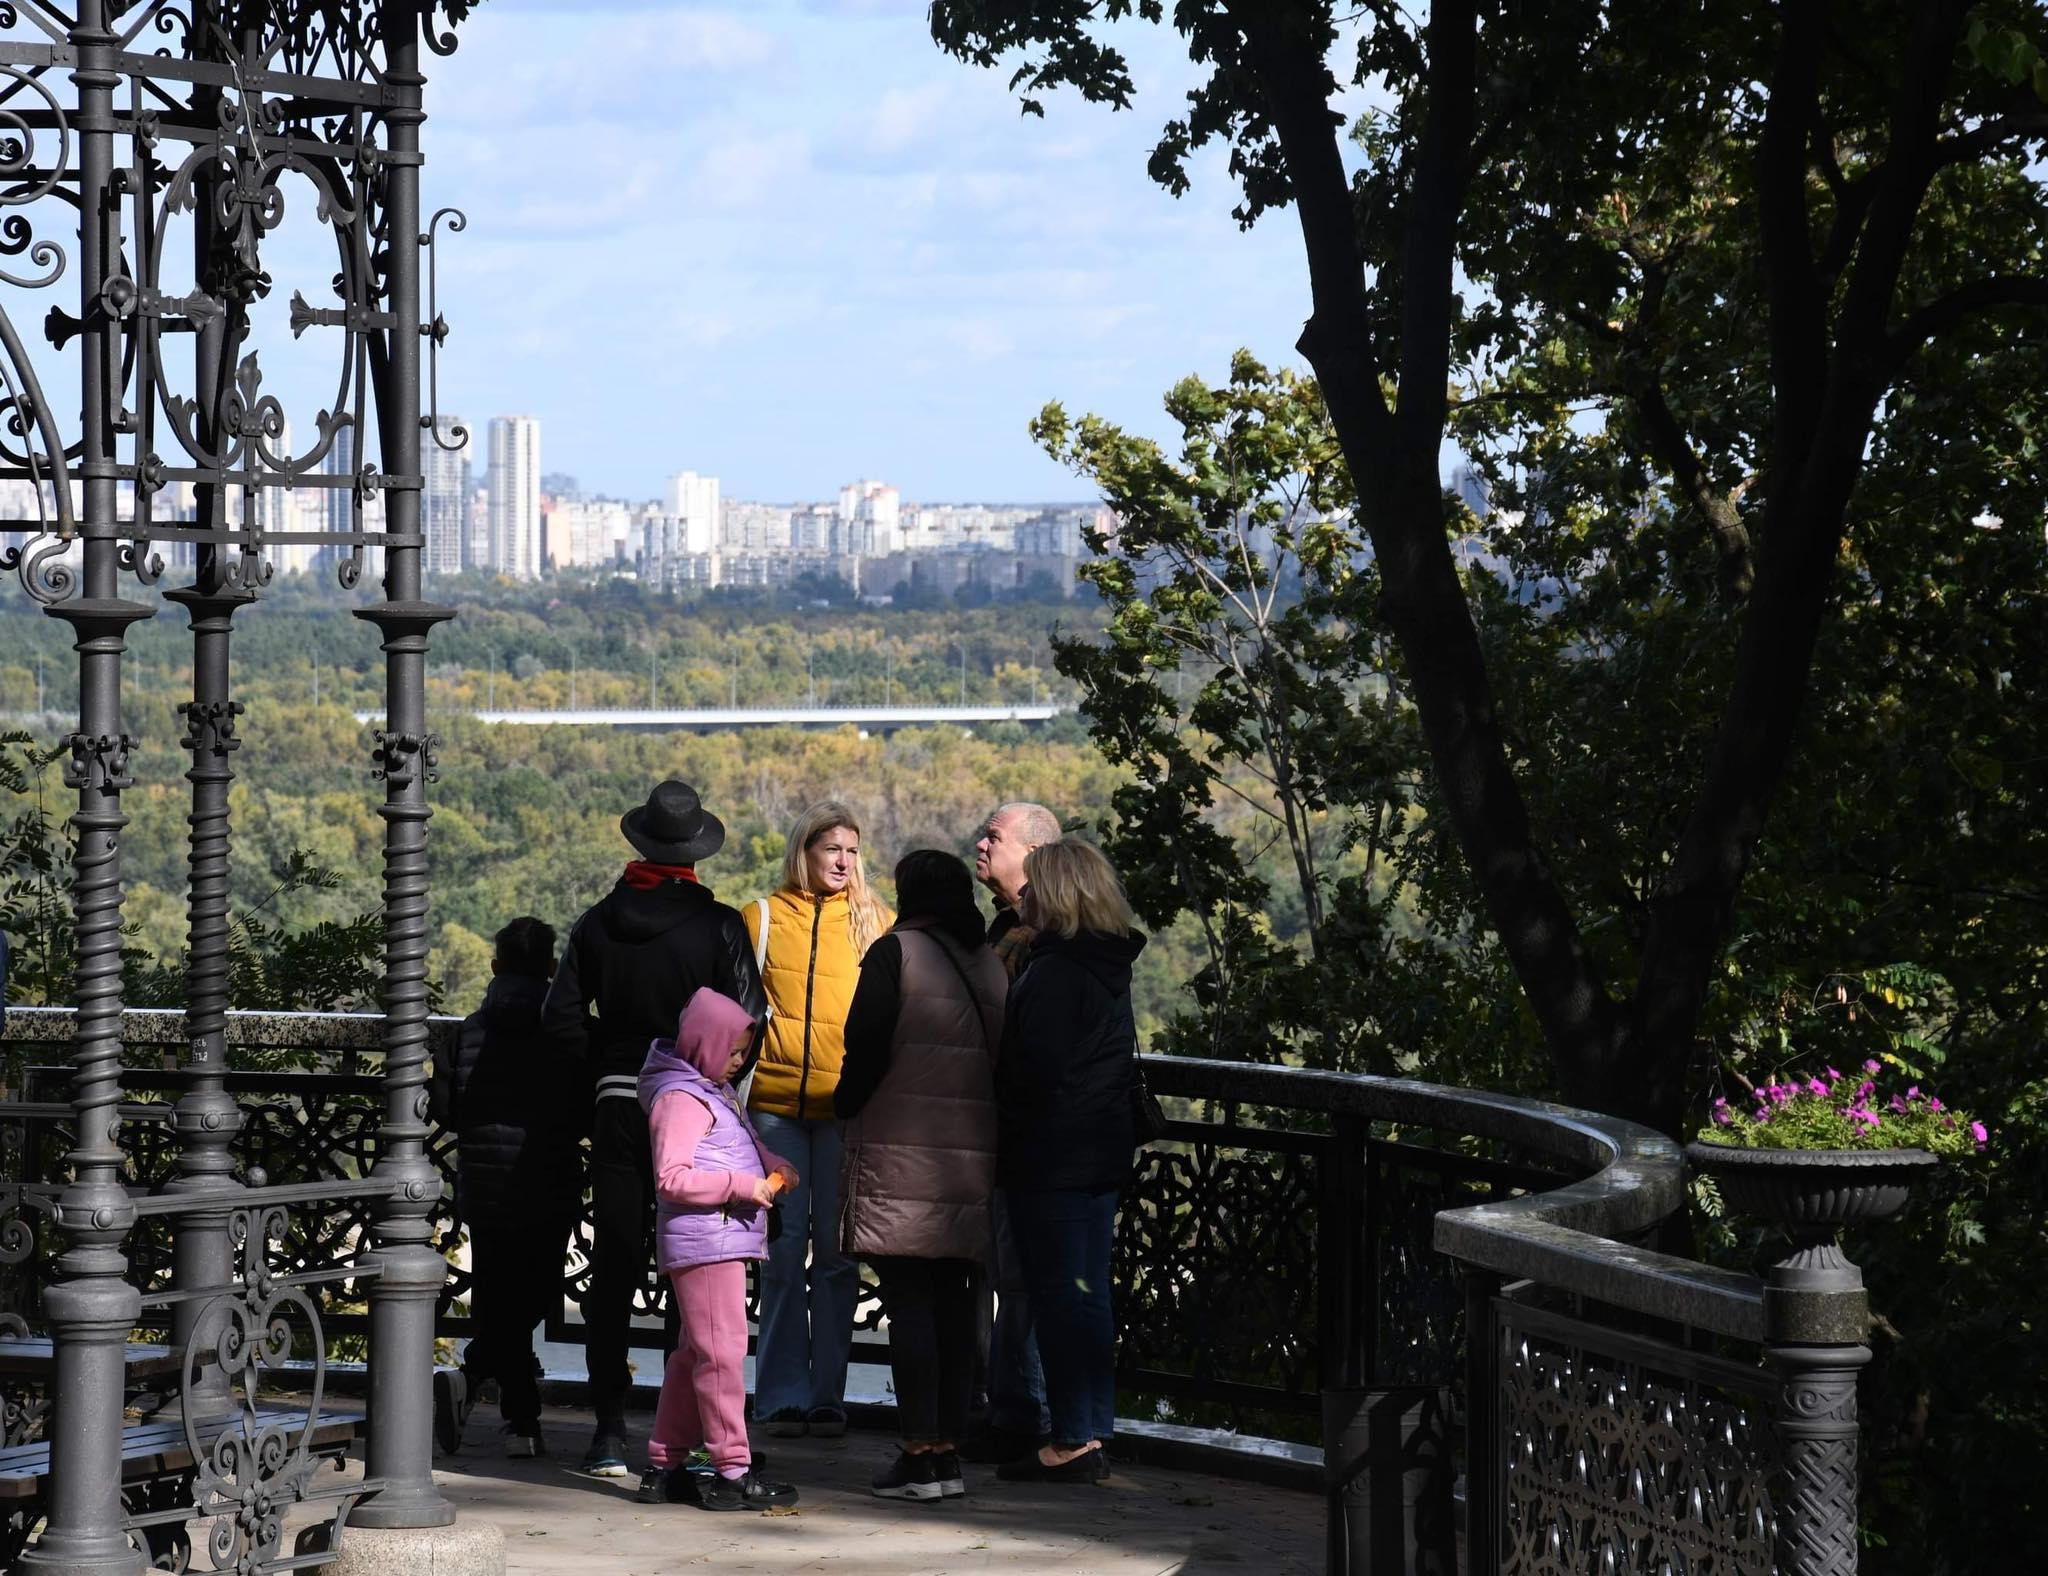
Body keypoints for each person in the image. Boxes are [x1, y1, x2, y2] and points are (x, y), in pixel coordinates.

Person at [542, 780, 767, 1478]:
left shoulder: (597, 923)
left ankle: (607, 1429)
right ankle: (695, 1437)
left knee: (613, 1266)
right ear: (695, 851)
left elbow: (562, 1023)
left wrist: (606, 1080)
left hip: (617, 1103)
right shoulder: (721, 926)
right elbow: (750, 1025)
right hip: (695, 1109)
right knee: (694, 1269)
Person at [835, 850, 1007, 1501]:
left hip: (898, 1155)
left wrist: (844, 1105)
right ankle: (949, 1456)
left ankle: (918, 1452)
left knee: (909, 1303)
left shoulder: (895, 952)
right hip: (968, 1160)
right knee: (958, 1303)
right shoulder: (987, 961)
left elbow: (864, 1047)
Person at [993, 840, 1146, 1484]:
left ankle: (1070, 1439)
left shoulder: (1055, 973)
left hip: (1053, 1155)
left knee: (1059, 1296)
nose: (1022, 897)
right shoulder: (1109, 963)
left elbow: (1035, 1071)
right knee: (1088, 1294)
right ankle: (1093, 1426)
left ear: (1056, 894)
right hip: (1102, 1149)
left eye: (1032, 888)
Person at [741, 801, 892, 1439]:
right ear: (803, 851)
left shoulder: (876, 923)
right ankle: (779, 1395)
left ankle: (827, 1395)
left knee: (834, 1258)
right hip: (773, 1109)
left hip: (843, 1113)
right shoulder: (762, 918)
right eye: (831, 849)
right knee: (779, 1255)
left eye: (852, 851)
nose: (843, 862)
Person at [635, 988, 802, 1512]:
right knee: (723, 1353)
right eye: (732, 1052)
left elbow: (741, 1143)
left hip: (721, 1235)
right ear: (704, 1042)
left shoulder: (710, 1090)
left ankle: (665, 1466)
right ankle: (733, 1470)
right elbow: (672, 1177)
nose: (738, 1063)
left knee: (694, 1354)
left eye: (742, 1054)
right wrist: (742, 1186)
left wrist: (775, 1164)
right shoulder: (680, 1098)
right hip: (706, 1241)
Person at [430, 917, 579, 1459]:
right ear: (552, 969)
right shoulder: (566, 1033)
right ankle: (517, 1420)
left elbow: (446, 1111)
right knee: (534, 1295)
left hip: (487, 1185)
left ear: (494, 967)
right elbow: (580, 1110)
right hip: (548, 1178)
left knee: (497, 1297)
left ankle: (494, 1398)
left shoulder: (466, 1031)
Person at [964, 802, 1062, 1462]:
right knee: (1010, 1275)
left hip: (1030, 1136)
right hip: (1012, 1133)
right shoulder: (1014, 927)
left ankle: (1022, 1416)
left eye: (993, 837)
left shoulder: (1039, 935)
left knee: (1021, 1279)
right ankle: (1015, 1410)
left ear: (1030, 852)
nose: (980, 844)